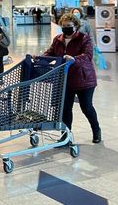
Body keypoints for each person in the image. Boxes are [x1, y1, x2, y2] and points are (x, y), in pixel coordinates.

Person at [44, 14, 101, 143]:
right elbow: (50, 52)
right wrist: (40, 57)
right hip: (65, 79)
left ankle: (96, 130)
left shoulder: (84, 39)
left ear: (76, 26)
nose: (66, 29)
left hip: (84, 79)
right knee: (65, 109)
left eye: (69, 26)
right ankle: (66, 136)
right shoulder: (58, 39)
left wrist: (75, 59)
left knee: (86, 107)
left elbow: (88, 56)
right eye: (64, 26)